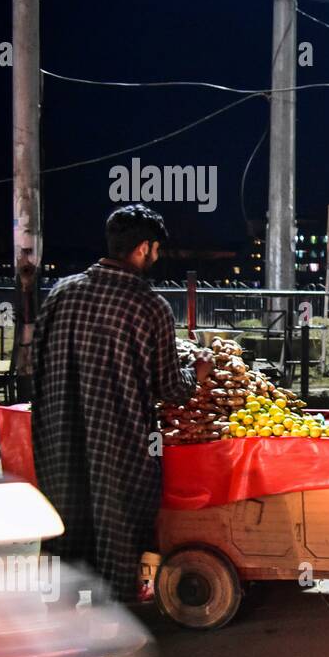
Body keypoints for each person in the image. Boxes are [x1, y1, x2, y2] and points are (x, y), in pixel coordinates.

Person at [32, 205, 214, 602]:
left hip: (58, 443)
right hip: (120, 448)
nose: (156, 255)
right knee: (118, 532)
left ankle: (58, 618)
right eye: (155, 248)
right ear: (143, 248)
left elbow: (35, 365)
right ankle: (113, 622)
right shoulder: (149, 305)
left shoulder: (61, 292)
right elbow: (171, 387)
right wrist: (197, 375)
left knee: (65, 527)